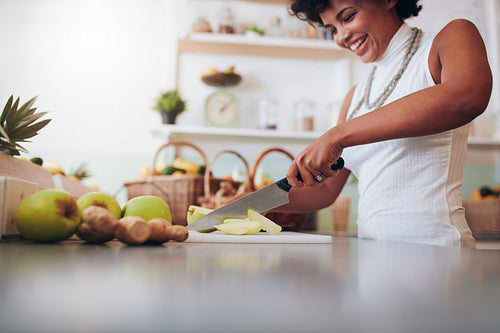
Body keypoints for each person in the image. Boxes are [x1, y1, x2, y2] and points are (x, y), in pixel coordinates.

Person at [274, 0, 492, 247]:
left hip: (438, 255)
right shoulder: (355, 97)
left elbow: (469, 95)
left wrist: (337, 135)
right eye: (332, 30)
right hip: (372, 258)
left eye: (348, 17)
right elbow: (324, 191)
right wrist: (253, 203)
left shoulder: (449, 39)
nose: (341, 37)